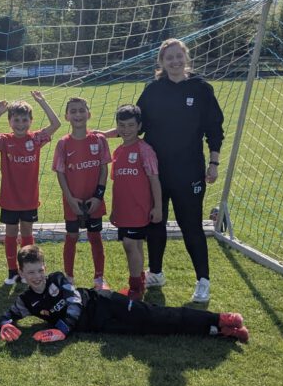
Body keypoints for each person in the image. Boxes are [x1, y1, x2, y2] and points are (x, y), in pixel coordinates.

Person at [0, 245, 249, 345]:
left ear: (45, 267)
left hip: (106, 303)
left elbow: (74, 303)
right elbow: (8, 315)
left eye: (39, 270)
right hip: (100, 326)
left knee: (156, 316)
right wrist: (5, 325)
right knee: (150, 330)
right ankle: (221, 332)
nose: (37, 276)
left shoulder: (57, 279)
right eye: (30, 272)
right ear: (21, 273)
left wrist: (61, 329)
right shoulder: (27, 301)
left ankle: (219, 318)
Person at [136, 38, 225, 303]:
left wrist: (214, 163)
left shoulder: (201, 89)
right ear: (161, 62)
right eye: (169, 58)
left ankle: (203, 281)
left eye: (178, 56)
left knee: (191, 226)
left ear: (186, 57)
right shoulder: (153, 90)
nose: (174, 61)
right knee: (156, 221)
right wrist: (101, 134)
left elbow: (214, 129)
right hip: (156, 172)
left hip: (189, 171)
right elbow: (135, 124)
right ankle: (156, 273)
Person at [0, 91, 62, 285]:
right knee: (10, 234)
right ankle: (12, 272)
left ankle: (28, 271)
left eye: (24, 120)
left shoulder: (35, 139)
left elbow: (56, 124)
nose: (20, 124)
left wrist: (42, 102)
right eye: (16, 120)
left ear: (31, 121)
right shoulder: (5, 140)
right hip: (9, 199)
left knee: (27, 233)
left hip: (29, 199)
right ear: (10, 121)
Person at [51, 97, 112, 290]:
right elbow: (60, 173)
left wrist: (98, 196)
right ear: (67, 116)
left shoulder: (99, 140)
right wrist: (70, 199)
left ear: (88, 114)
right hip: (73, 201)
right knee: (71, 237)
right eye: (73, 111)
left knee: (95, 237)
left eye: (81, 110)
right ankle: (69, 278)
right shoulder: (63, 143)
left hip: (94, 200)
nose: (78, 114)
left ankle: (99, 278)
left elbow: (104, 169)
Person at [109, 104, 162, 301]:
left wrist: (158, 207)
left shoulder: (144, 150)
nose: (126, 129)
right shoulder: (118, 151)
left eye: (131, 125)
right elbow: (118, 184)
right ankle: (140, 282)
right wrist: (114, 210)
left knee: (130, 244)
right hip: (123, 210)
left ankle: (135, 288)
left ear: (139, 126)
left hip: (139, 209)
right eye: (122, 125)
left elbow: (154, 180)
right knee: (135, 245)